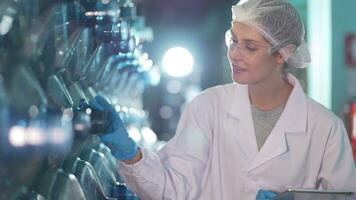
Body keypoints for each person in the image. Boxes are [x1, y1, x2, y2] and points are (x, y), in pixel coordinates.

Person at [89, 0, 356, 199]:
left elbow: (344, 196)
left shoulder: (324, 127)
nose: (235, 55)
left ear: (282, 54)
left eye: (249, 47)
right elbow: (173, 189)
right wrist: (130, 154)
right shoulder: (208, 107)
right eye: (233, 41)